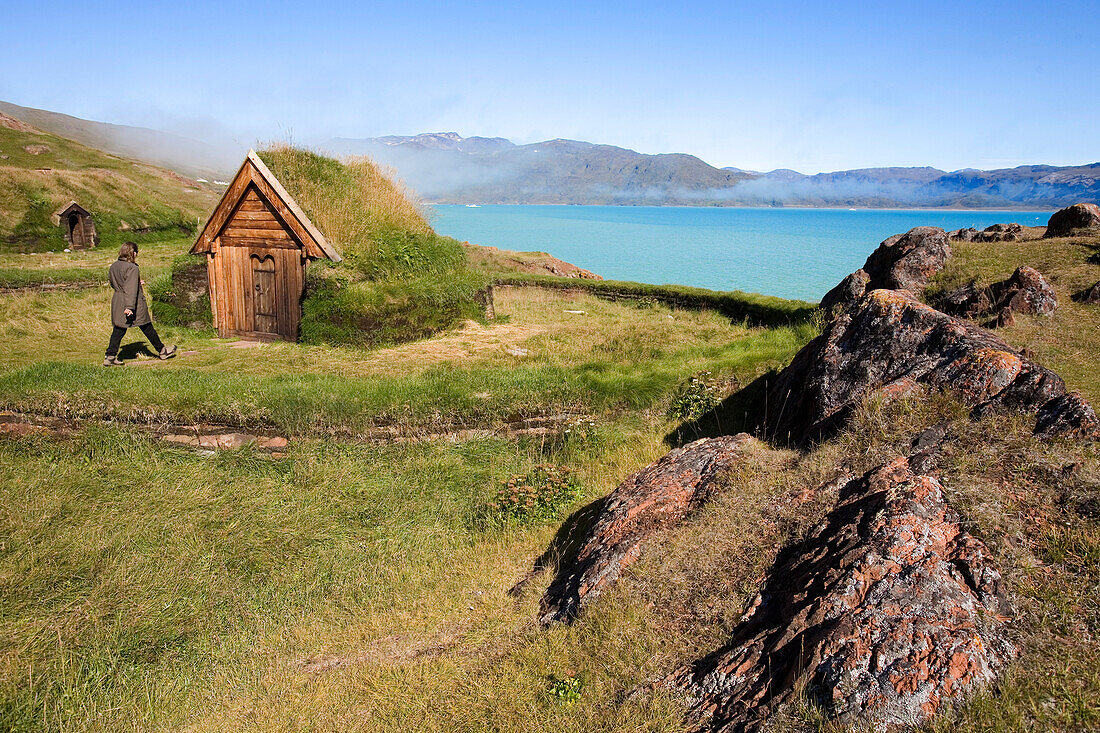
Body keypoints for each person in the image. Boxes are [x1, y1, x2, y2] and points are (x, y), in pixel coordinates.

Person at [103, 242, 178, 366]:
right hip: (132, 302)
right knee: (147, 327)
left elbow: (115, 283)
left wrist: (136, 282)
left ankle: (110, 357)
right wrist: (129, 307)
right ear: (133, 253)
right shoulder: (132, 267)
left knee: (119, 329)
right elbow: (130, 289)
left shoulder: (114, 266)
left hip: (118, 300)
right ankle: (162, 351)